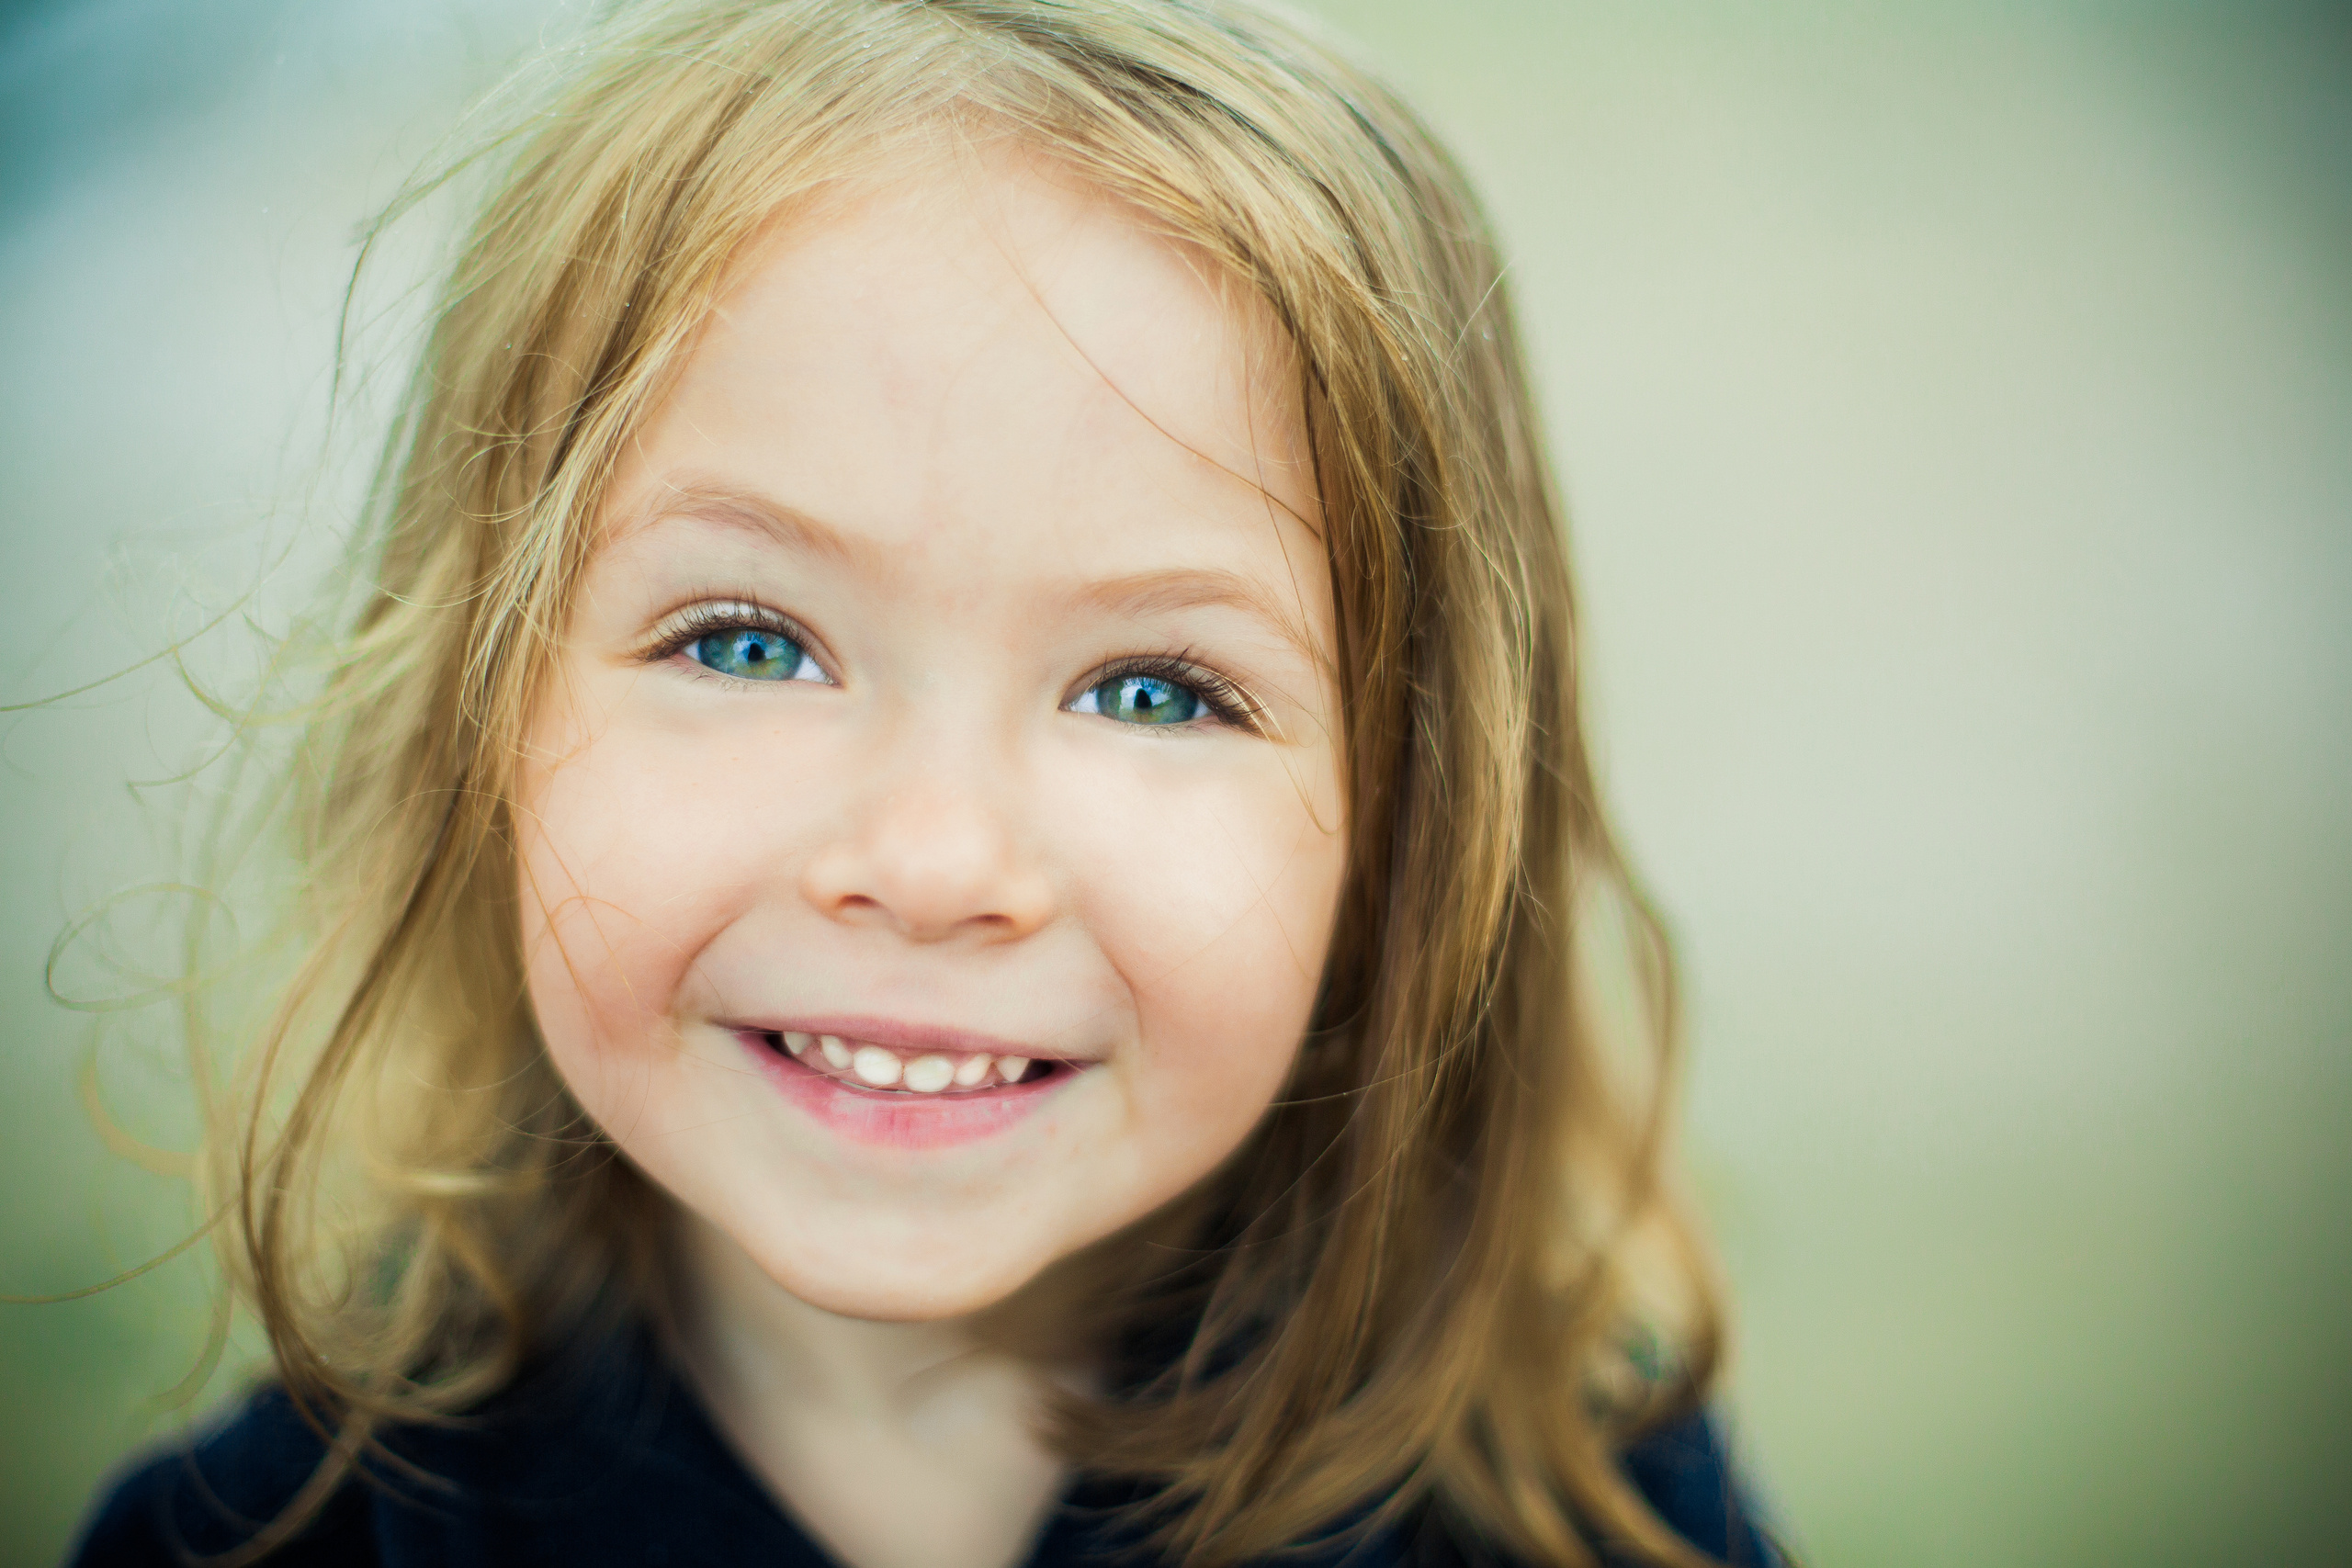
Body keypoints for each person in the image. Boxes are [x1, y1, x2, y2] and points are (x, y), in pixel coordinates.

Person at [68, 1, 1784, 1563]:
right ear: (477, 718)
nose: (934, 857)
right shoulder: (250, 1543)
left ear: (1415, 823)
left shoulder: (1593, 1514)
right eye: (748, 645)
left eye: (1154, 690)